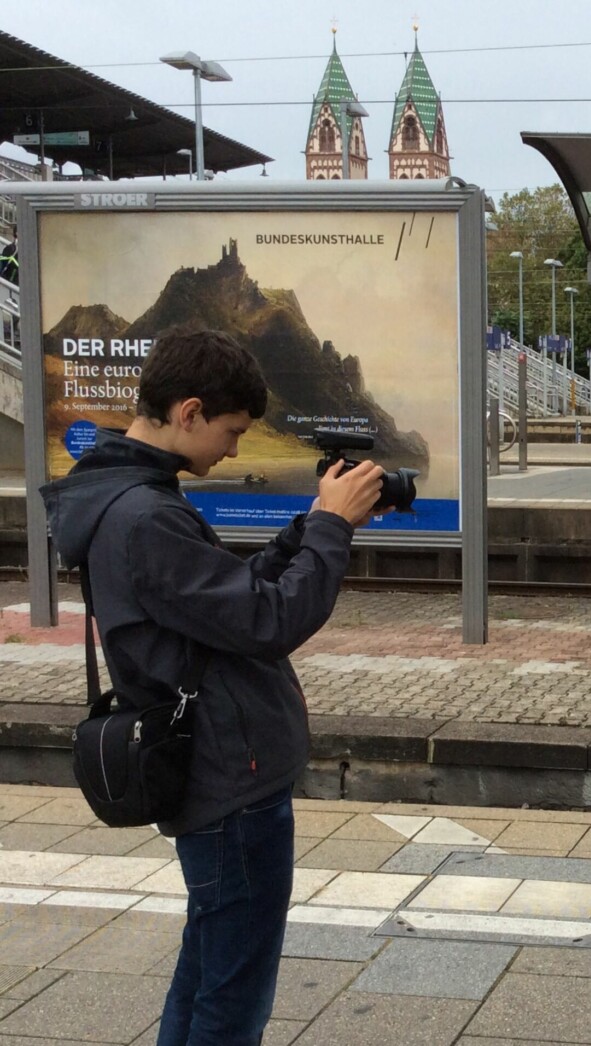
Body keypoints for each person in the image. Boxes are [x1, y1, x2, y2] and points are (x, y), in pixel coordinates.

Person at [41, 330, 384, 1045]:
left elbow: (221, 603)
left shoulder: (131, 498)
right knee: (233, 999)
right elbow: (267, 621)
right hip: (230, 781)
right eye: (229, 432)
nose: (232, 449)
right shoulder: (144, 516)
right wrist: (328, 529)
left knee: (206, 978)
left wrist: (302, 534)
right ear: (189, 411)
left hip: (214, 772)